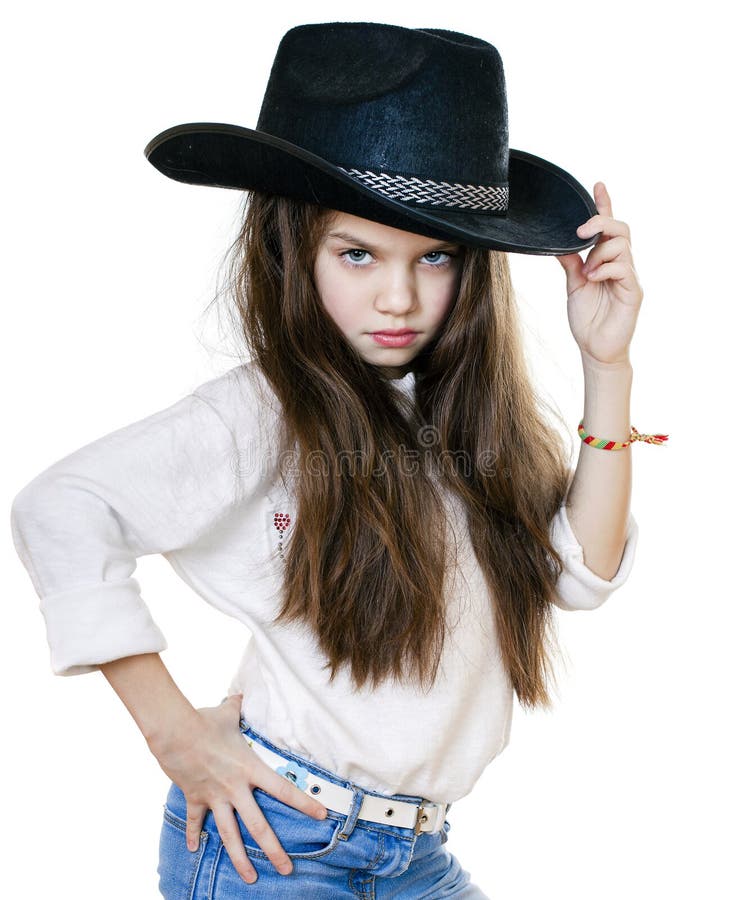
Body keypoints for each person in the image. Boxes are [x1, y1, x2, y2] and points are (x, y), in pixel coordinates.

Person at [9, 21, 667, 899]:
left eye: (433, 257)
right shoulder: (264, 409)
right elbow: (60, 505)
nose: (398, 297)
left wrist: (606, 364)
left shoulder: (465, 416)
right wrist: (175, 735)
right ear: (293, 250)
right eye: (356, 254)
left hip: (415, 855)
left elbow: (579, 572)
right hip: (275, 844)